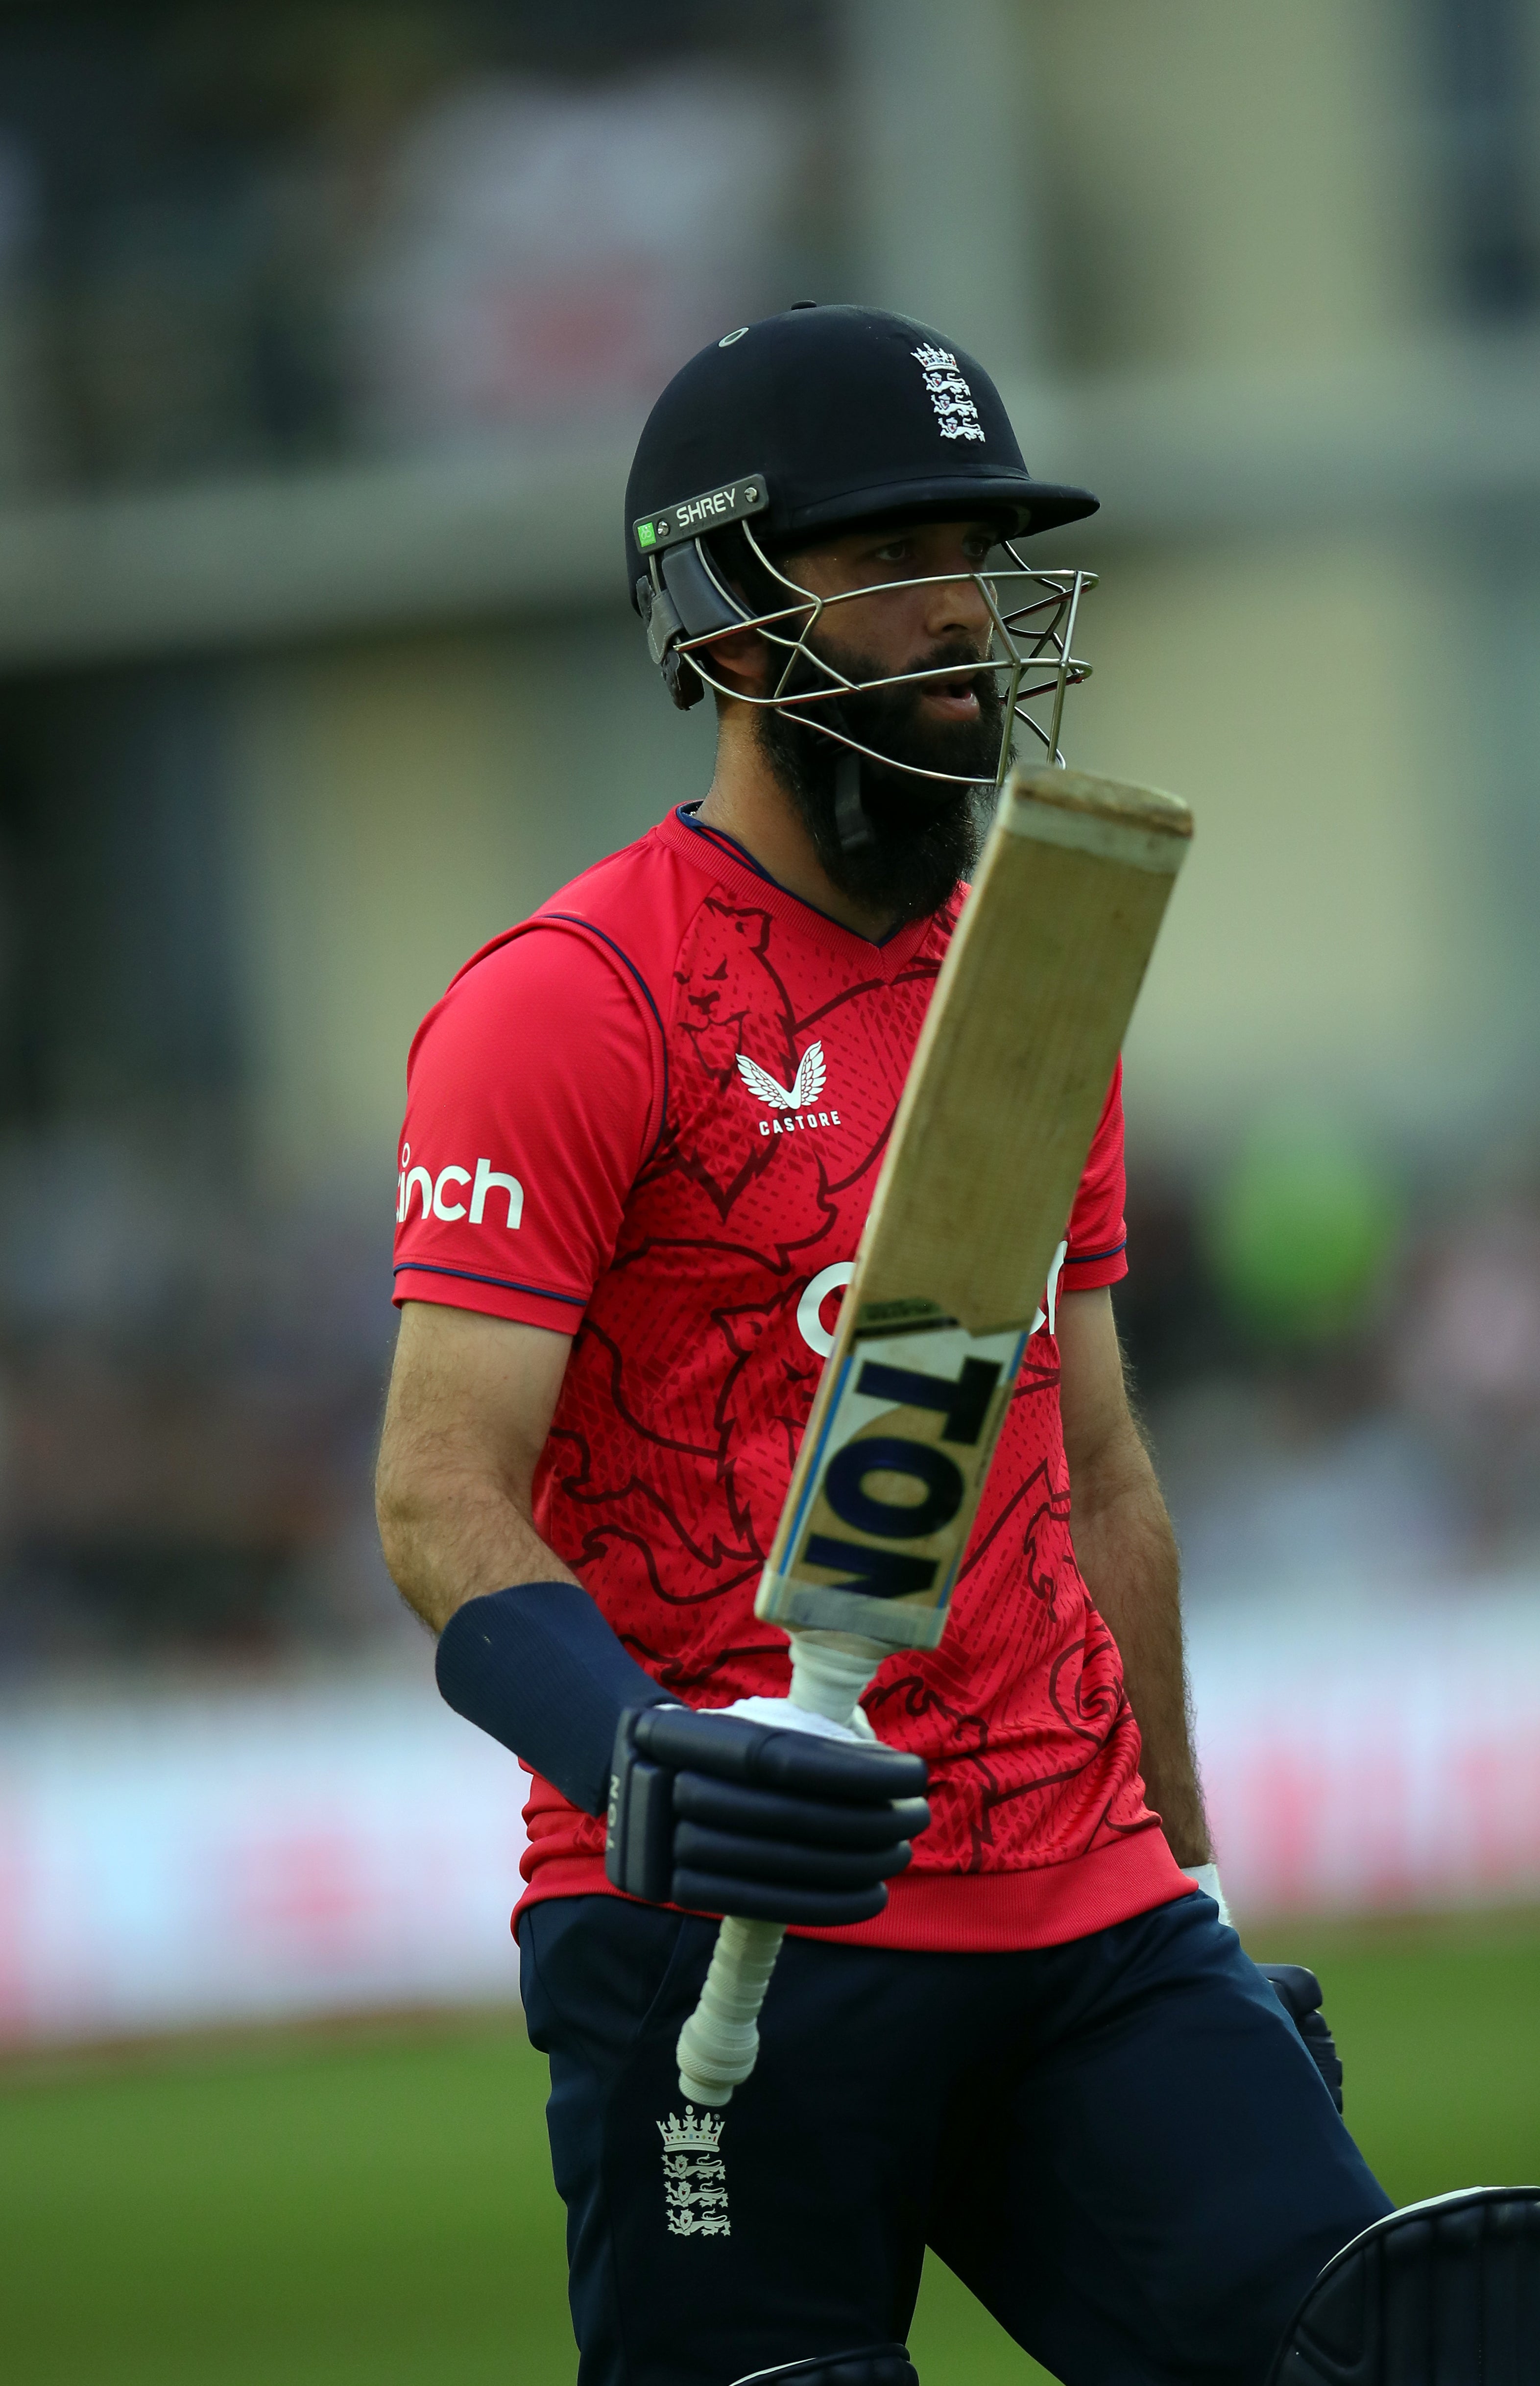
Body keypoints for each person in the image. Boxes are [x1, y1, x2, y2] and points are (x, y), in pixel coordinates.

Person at [375, 305, 1390, 2386]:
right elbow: (434, 1496)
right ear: (730, 625)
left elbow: (1091, 1467)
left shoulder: (1032, 965)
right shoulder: (568, 1001)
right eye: (891, 561)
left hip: (1085, 1914)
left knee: (1376, 2356)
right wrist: (633, 1756)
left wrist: (1191, 1883)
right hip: (717, 1942)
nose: (963, 617)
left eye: (975, 555)